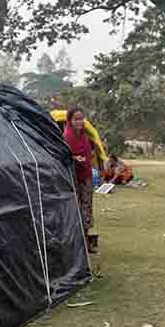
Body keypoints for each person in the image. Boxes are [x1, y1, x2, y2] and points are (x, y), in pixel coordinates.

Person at [64, 106, 98, 253]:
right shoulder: (66, 136)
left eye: (81, 118)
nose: (79, 122)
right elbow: (64, 156)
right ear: (70, 120)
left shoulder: (84, 135)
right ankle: (78, 244)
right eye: (76, 119)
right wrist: (74, 158)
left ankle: (86, 242)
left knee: (87, 209)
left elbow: (89, 153)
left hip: (86, 176)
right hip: (74, 178)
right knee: (76, 210)